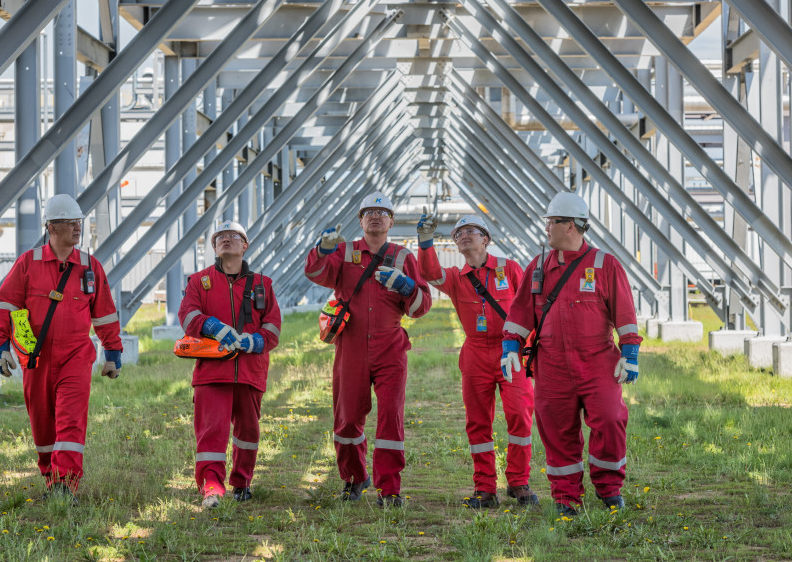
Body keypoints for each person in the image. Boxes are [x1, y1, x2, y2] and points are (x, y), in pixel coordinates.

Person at [500, 192, 641, 514]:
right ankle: (566, 497)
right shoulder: (538, 266)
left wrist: (630, 352)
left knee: (609, 419)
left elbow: (625, 312)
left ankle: (608, 489)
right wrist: (510, 347)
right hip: (551, 365)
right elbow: (521, 313)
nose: (547, 228)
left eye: (552, 222)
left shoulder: (605, 265)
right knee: (557, 430)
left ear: (571, 226)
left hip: (597, 361)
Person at [0, 194, 123, 501]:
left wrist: (112, 353)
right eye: (69, 223)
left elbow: (104, 313)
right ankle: (52, 480)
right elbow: (3, 306)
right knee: (43, 425)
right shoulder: (28, 264)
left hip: (76, 355)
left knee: (71, 420)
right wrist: (0, 347)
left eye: (78, 222)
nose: (77, 229)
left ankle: (66, 483)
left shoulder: (90, 267)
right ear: (51, 227)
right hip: (35, 359)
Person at [304, 191, 431, 507]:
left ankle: (389, 489)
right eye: (369, 212)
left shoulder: (403, 257)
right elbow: (315, 272)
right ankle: (353, 477)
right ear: (360, 220)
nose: (375, 216)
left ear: (391, 221)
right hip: (351, 349)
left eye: (382, 212)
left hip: (391, 349)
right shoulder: (344, 252)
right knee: (347, 419)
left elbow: (421, 306)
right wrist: (323, 249)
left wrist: (406, 286)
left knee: (391, 418)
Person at [416, 212, 538, 509]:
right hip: (475, 355)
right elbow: (430, 274)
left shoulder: (509, 269)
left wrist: (530, 351)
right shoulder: (457, 279)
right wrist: (425, 242)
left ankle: (518, 482)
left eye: (471, 230)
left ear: (486, 238)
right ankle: (485, 489)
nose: (463, 236)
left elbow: (530, 309)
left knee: (520, 415)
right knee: (477, 423)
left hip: (511, 352)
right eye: (458, 233)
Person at [178, 220, 282, 509]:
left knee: (248, 432)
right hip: (212, 372)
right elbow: (187, 315)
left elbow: (273, 326)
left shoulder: (263, 284)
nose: (226, 239)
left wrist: (256, 341)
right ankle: (212, 488)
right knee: (211, 432)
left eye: (233, 236)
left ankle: (242, 482)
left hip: (250, 371)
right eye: (220, 236)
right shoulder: (199, 281)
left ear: (244, 245)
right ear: (214, 247)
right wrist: (211, 326)